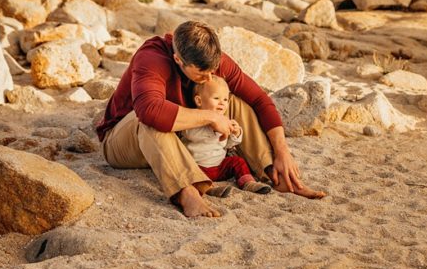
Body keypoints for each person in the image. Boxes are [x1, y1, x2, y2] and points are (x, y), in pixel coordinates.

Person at [95, 20, 325, 218]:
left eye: (212, 71)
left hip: (180, 143)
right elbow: (149, 110)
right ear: (178, 59)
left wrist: (282, 149)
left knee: (231, 100)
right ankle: (187, 191)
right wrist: (211, 117)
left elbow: (259, 100)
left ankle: (272, 172)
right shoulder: (152, 58)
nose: (208, 78)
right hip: (124, 142)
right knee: (148, 117)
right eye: (200, 74)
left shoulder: (214, 63)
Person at [181, 77, 272, 196]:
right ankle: (209, 189)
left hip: (219, 166)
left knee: (237, 161)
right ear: (199, 101)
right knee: (188, 173)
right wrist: (211, 126)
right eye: (216, 98)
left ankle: (248, 182)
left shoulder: (225, 120)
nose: (222, 102)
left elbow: (226, 145)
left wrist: (235, 133)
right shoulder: (194, 119)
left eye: (225, 99)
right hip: (199, 167)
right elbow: (190, 135)